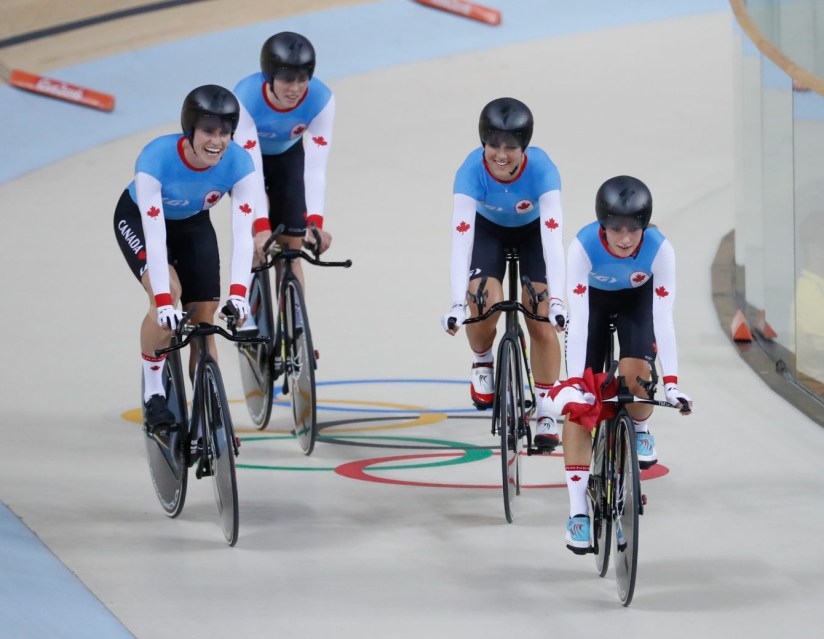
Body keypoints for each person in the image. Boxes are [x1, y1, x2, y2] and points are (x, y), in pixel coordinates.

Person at [557, 175, 693, 554]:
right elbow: (578, 318)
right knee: (581, 405)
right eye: (616, 228)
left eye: (634, 229)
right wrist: (573, 382)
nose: (625, 237)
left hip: (637, 303)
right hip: (593, 308)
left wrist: (673, 384)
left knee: (636, 381)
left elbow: (663, 319)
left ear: (644, 227)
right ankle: (578, 513)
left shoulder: (659, 249)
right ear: (603, 225)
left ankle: (641, 425)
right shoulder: (582, 247)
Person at [113, 84, 257, 433]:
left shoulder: (240, 163)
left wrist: (240, 295)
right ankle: (154, 391)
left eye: (225, 133)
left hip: (193, 226)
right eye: (209, 131)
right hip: (141, 221)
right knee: (169, 293)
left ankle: (208, 402)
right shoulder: (155, 159)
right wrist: (163, 300)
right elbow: (156, 234)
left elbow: (242, 236)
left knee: (205, 320)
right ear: (190, 130)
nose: (217, 141)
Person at [441, 97, 567, 451]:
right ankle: (482, 360)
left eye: (510, 147)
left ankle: (544, 408)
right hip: (489, 232)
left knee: (540, 310)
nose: (500, 154)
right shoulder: (470, 172)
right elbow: (461, 242)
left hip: (532, 233)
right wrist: (455, 303)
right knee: (482, 297)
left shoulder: (543, 170)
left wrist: (557, 299)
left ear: (523, 148)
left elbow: (554, 240)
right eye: (493, 144)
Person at [233, 31, 335, 292]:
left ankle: (296, 326)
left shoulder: (321, 100)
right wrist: (261, 226)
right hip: (245, 163)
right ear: (269, 77)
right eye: (287, 80)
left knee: (292, 247)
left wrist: (315, 223)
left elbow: (314, 169)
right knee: (254, 239)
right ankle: (247, 315)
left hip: (287, 156)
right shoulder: (245, 98)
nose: (296, 89)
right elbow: (251, 168)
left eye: (302, 79)